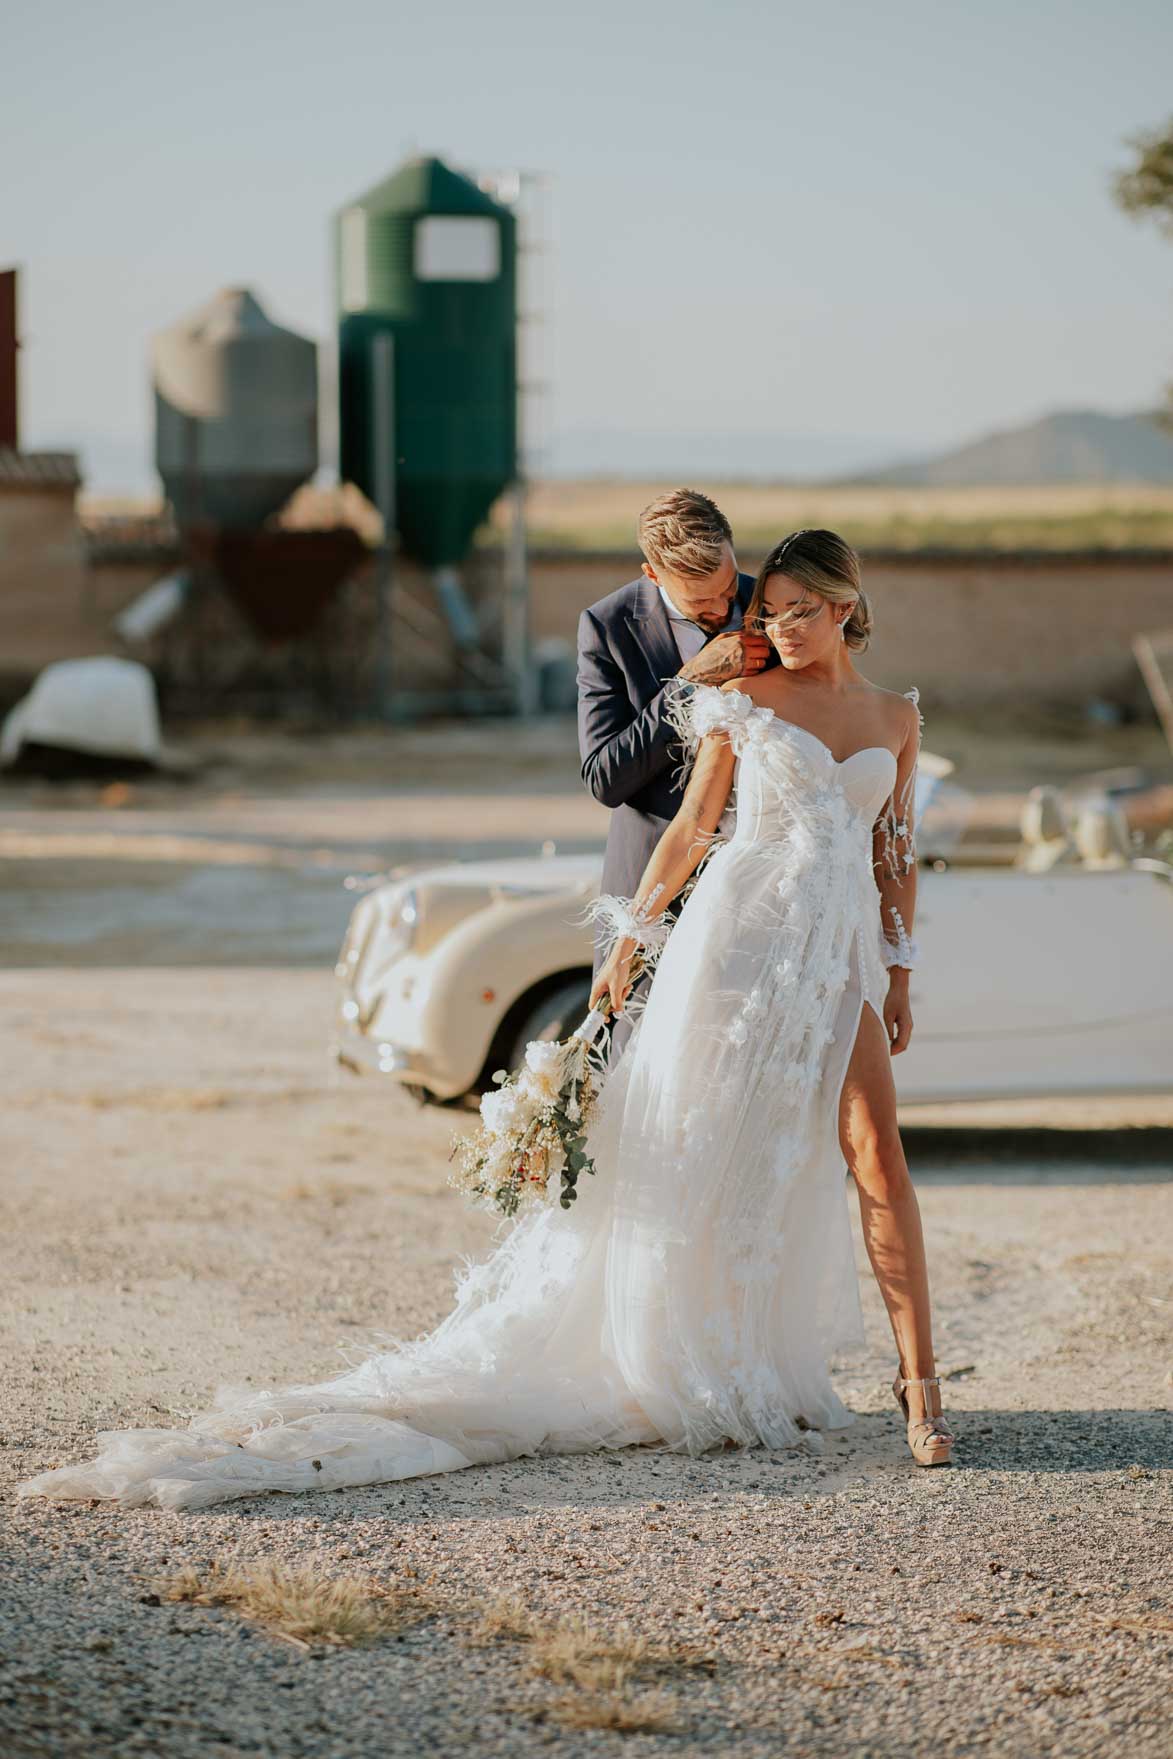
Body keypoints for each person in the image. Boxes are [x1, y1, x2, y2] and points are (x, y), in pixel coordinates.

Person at [16, 528, 951, 1513]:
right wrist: (632, 934)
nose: (782, 629)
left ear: (848, 604)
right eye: (771, 614)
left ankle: (919, 1386)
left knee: (875, 1152)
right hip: (740, 939)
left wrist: (895, 974)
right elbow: (689, 829)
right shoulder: (744, 702)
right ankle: (688, 1350)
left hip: (837, 955)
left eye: (801, 611)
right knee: (698, 1145)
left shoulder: (895, 716)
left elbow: (895, 853)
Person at [577, 489, 770, 1055]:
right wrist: (689, 683)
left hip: (759, 879)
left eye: (728, 588)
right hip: (651, 879)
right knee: (642, 1062)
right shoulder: (608, 627)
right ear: (652, 574)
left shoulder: (776, 606)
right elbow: (605, 778)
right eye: (703, 603)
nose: (724, 609)